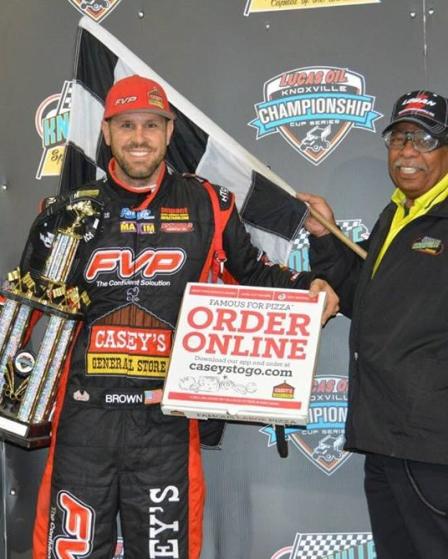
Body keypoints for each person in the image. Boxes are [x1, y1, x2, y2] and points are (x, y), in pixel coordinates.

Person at [27, 75, 339, 559]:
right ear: (106, 132)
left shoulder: (208, 204)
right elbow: (25, 310)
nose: (139, 137)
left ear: (170, 132)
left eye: (152, 125)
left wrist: (308, 287)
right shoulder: (70, 210)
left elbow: (253, 274)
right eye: (126, 125)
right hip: (84, 418)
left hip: (167, 419)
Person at [298, 90, 448, 559]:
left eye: (424, 138)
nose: (407, 151)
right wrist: (324, 235)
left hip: (430, 444)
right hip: (385, 439)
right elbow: (363, 297)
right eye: (399, 138)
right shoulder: (399, 214)